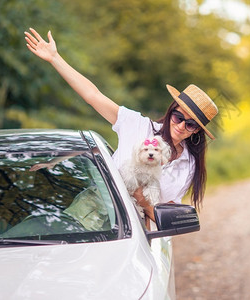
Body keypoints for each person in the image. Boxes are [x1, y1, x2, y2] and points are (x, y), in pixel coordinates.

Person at [24, 28, 218, 222]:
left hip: (135, 229)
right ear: (170, 112)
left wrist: (143, 201)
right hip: (89, 213)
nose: (182, 125)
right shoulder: (137, 125)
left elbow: (166, 213)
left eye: (191, 124)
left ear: (197, 130)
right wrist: (55, 58)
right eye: (178, 116)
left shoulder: (189, 165)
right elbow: (93, 96)